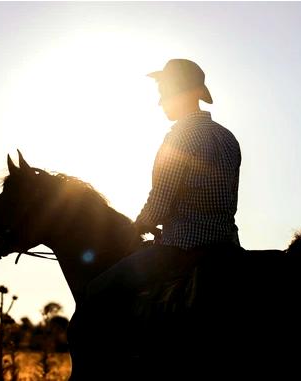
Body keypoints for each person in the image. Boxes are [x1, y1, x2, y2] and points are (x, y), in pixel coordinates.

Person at [85, 58, 242, 299]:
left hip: (182, 247)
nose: (160, 101)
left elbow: (159, 203)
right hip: (228, 247)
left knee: (95, 292)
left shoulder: (178, 138)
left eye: (163, 92)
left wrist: (137, 227)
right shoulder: (229, 139)